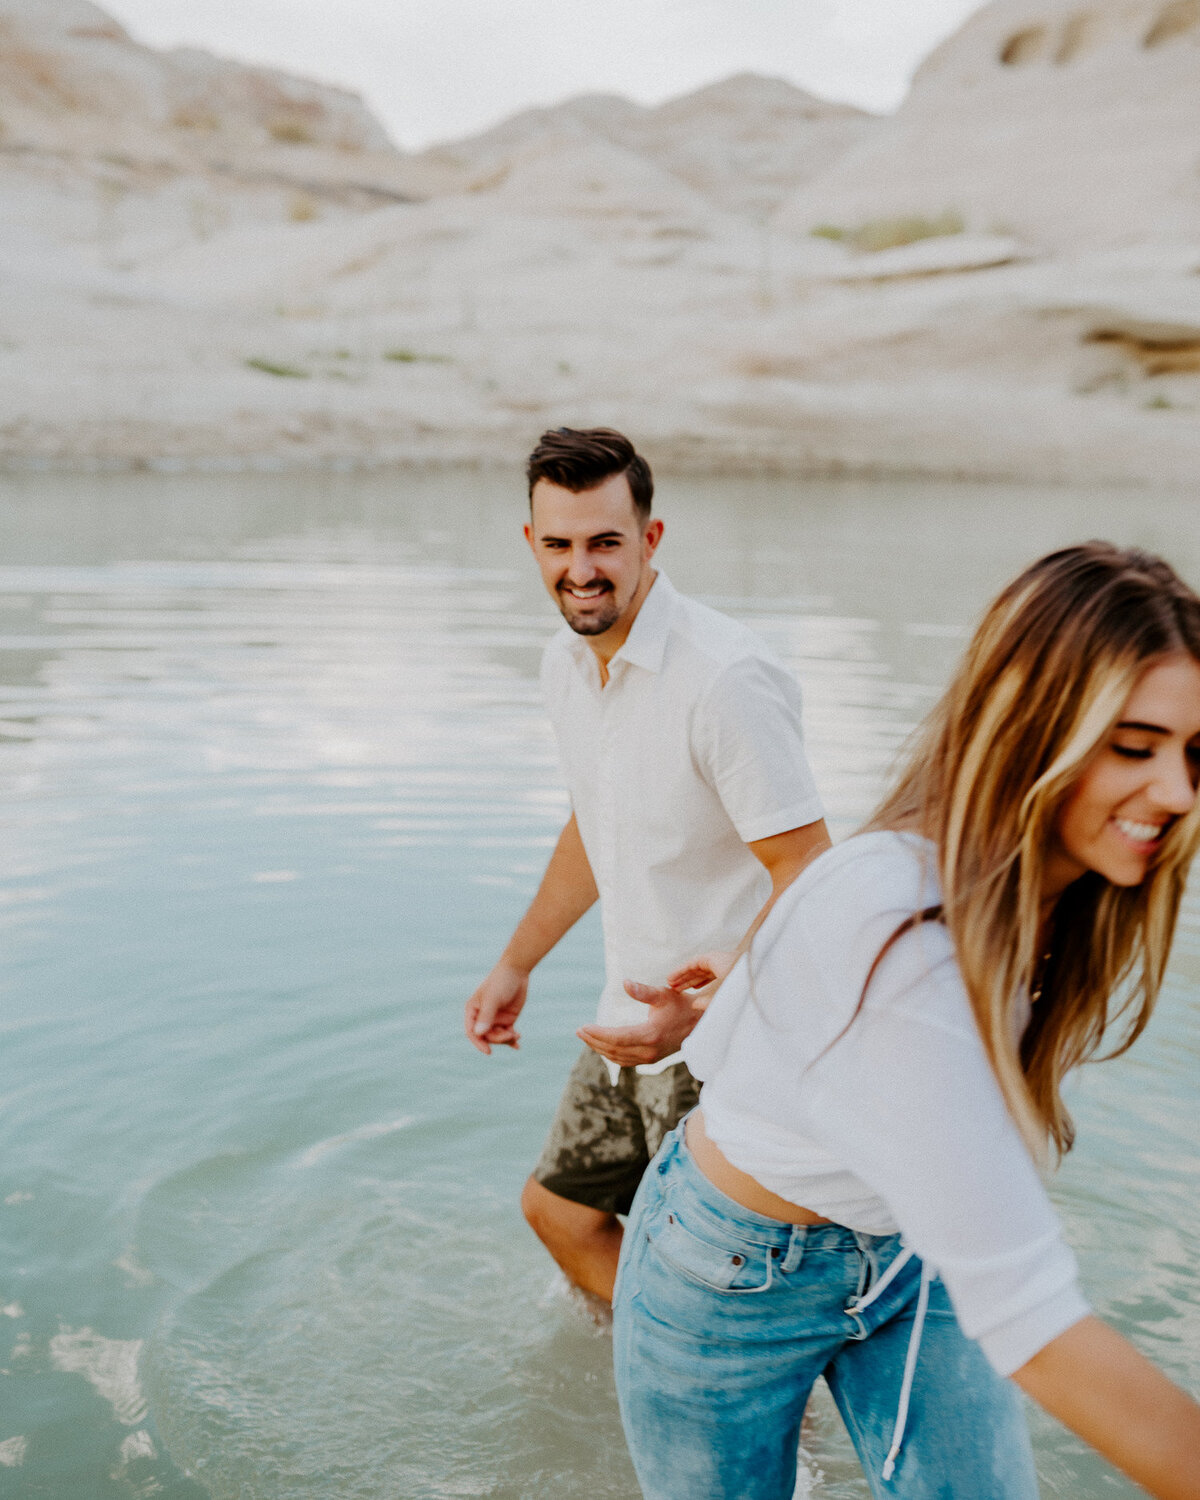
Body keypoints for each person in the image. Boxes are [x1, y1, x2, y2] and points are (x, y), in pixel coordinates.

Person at [600, 543, 1200, 1498]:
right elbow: (1036, 1323)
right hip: (729, 1272)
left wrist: (740, 1000)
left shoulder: (1054, 897)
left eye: (1192, 753)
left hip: (907, 1256)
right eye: (1133, 746)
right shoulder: (901, 920)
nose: (1175, 792)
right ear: (1029, 727)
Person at [464, 427, 829, 1302]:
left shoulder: (725, 679)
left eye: (605, 543)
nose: (581, 569)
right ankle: (645, 1381)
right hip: (630, 1026)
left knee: (720, 1285)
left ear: (650, 540)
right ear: (531, 545)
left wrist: (703, 1008)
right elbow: (598, 826)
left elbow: (812, 874)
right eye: (559, 544)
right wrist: (518, 963)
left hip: (732, 1047)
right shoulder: (567, 663)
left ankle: (785, 1436)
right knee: (560, 1211)